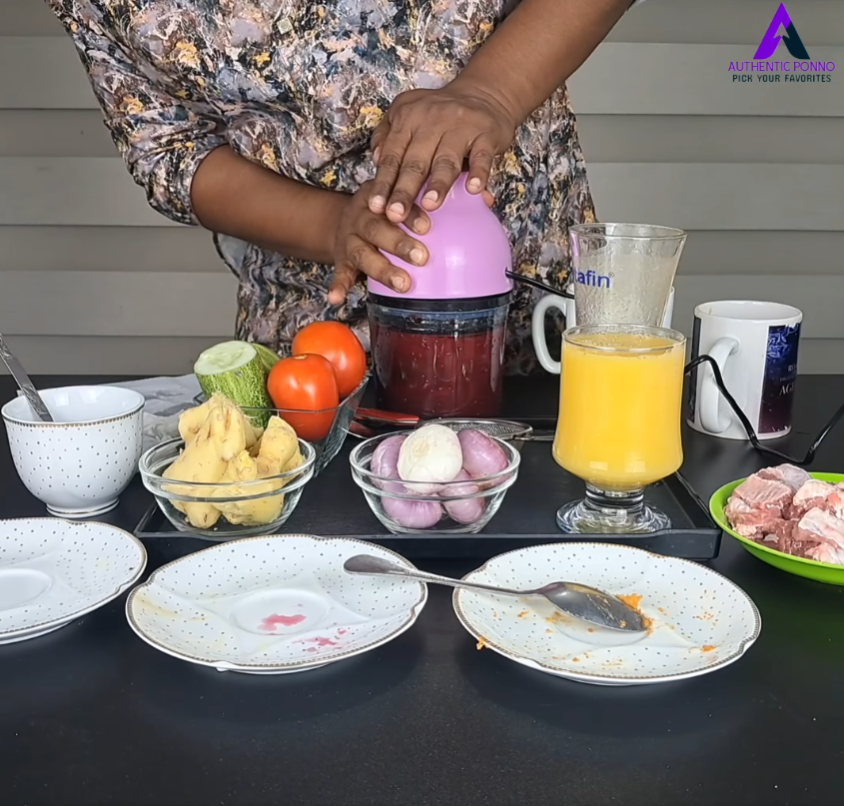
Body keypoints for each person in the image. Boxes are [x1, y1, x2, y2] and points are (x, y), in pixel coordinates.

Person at [49, 0, 646, 375]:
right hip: (315, 339)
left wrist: (494, 91)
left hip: (531, 302)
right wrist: (335, 226)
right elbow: (169, 152)